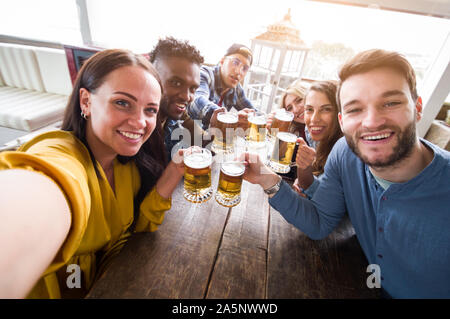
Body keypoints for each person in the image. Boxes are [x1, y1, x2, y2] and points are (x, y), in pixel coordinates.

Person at [241, 49, 450, 298]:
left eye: (391, 103)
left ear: (417, 108)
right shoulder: (345, 152)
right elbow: (319, 222)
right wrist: (267, 179)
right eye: (355, 109)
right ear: (342, 121)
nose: (372, 121)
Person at [0, 49, 185, 299]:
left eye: (150, 110)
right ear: (86, 101)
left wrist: (175, 169)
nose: (140, 122)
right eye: (122, 103)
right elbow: (39, 191)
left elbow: (135, 228)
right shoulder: (61, 154)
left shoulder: (128, 167)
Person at [149, 37, 206, 160]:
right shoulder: (139, 127)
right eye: (176, 83)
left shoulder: (175, 115)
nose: (187, 96)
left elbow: (204, 141)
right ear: (151, 76)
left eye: (192, 89)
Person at [292, 81, 343, 197]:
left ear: (339, 113)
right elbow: (314, 180)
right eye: (309, 109)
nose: (314, 119)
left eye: (326, 109)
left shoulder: (345, 151)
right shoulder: (311, 134)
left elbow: (331, 200)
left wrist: (307, 184)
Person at [188, 43, 255, 130]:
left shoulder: (236, 89)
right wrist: (227, 117)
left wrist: (265, 119)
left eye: (245, 68)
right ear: (222, 61)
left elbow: (252, 110)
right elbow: (196, 100)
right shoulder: (205, 74)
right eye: (235, 62)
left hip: (210, 139)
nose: (238, 71)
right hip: (185, 137)